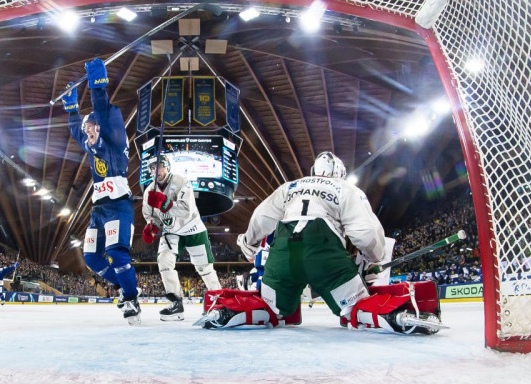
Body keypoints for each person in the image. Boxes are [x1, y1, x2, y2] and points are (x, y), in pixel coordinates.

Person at [200, 151, 442, 333]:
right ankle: (399, 318)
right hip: (322, 253)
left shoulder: (291, 187)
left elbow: (261, 218)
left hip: (283, 253)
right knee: (354, 308)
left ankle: (226, 312)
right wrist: (373, 259)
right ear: (340, 172)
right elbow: (365, 233)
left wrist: (248, 245)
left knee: (271, 309)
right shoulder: (345, 188)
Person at [61, 58, 141, 325]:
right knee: (93, 258)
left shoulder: (114, 140)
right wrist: (72, 107)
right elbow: (75, 130)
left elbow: (102, 109)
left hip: (118, 205)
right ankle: (124, 287)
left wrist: (97, 84)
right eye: (86, 131)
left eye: (90, 129)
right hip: (99, 210)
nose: (87, 134)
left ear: (100, 127)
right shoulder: (91, 141)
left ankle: (132, 298)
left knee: (118, 254)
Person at [141, 157, 221, 321]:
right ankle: (176, 304)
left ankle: (219, 301)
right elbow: (151, 216)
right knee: (164, 262)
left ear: (168, 167)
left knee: (204, 268)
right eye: (153, 168)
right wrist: (152, 227)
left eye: (160, 167)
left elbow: (186, 210)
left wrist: (164, 203)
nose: (157, 171)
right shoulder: (149, 191)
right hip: (171, 231)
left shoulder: (181, 181)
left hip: (193, 228)